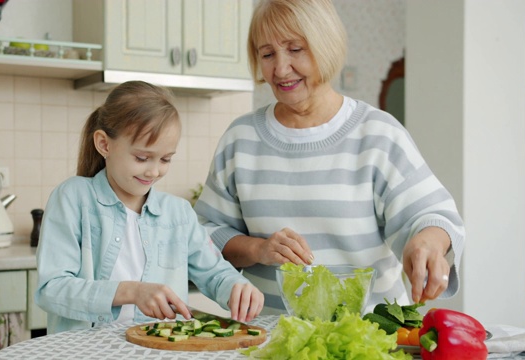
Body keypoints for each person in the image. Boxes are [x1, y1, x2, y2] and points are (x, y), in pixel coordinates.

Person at [194, 0, 464, 314]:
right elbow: (204, 234)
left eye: (295, 49)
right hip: (269, 339)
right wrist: (258, 248)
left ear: (325, 45)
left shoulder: (378, 134)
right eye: (267, 54)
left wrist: (427, 242)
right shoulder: (240, 139)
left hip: (367, 338)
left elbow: (433, 216)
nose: (280, 69)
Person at [35, 81, 264, 333]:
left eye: (166, 159)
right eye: (142, 158)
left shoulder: (178, 213)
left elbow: (215, 273)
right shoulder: (73, 197)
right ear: (104, 144)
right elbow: (52, 289)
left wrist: (236, 287)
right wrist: (131, 291)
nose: (154, 170)